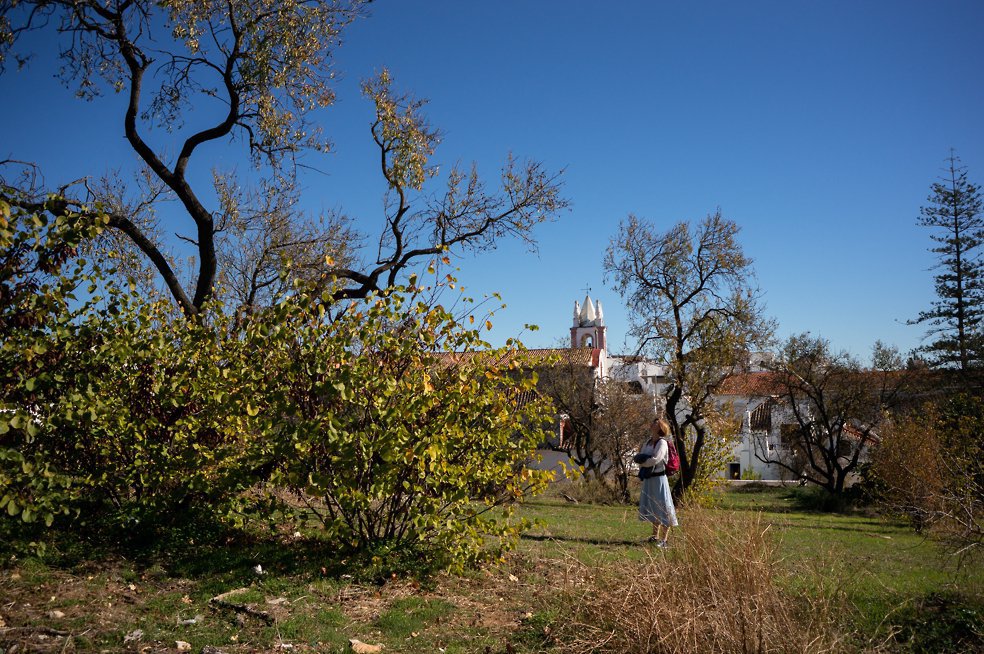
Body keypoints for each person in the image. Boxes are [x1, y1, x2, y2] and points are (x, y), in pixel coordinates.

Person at [637, 418, 678, 547]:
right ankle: (655, 536)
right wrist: (642, 460)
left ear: (660, 427)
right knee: (654, 507)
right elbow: (640, 455)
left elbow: (656, 459)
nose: (652, 424)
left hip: (660, 478)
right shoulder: (648, 442)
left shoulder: (662, 443)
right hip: (649, 478)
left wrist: (643, 462)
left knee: (664, 507)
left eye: (655, 423)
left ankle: (664, 540)